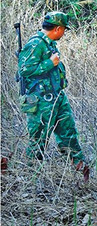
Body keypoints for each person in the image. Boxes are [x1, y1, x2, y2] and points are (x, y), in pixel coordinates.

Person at [16, 11, 89, 181]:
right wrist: (50, 63)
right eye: (63, 29)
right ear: (57, 29)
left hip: (56, 97)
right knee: (38, 140)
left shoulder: (49, 43)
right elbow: (24, 70)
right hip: (41, 100)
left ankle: (79, 169)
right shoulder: (36, 44)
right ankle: (31, 178)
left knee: (68, 132)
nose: (64, 33)